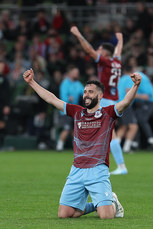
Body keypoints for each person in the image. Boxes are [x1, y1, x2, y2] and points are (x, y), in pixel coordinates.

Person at [23, 68, 141, 219]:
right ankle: (97, 204)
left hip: (98, 170)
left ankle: (112, 202)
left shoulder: (108, 113)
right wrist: (32, 82)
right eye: (85, 91)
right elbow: (51, 99)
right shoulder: (77, 112)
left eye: (91, 92)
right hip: (77, 170)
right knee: (64, 215)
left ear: (100, 96)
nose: (86, 95)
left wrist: (135, 85)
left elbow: (125, 102)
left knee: (106, 216)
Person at [70, 26, 127, 175]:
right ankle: (111, 164)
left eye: (100, 49)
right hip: (114, 100)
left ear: (105, 52)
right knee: (107, 134)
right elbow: (118, 51)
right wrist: (120, 40)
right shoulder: (117, 63)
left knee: (109, 134)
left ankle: (121, 166)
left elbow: (89, 50)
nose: (98, 50)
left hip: (105, 100)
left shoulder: (105, 62)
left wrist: (78, 34)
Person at [56, 65, 84, 151]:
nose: (77, 74)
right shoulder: (65, 83)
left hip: (75, 111)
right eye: (75, 72)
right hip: (65, 110)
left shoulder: (78, 84)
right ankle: (59, 146)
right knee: (67, 129)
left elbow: (84, 93)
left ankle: (76, 148)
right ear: (70, 73)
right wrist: (68, 98)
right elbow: (63, 97)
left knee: (75, 131)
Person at [116, 65, 138, 153]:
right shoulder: (129, 79)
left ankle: (115, 148)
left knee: (123, 126)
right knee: (134, 126)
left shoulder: (120, 79)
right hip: (125, 105)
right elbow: (128, 90)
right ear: (132, 71)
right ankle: (126, 148)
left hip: (117, 104)